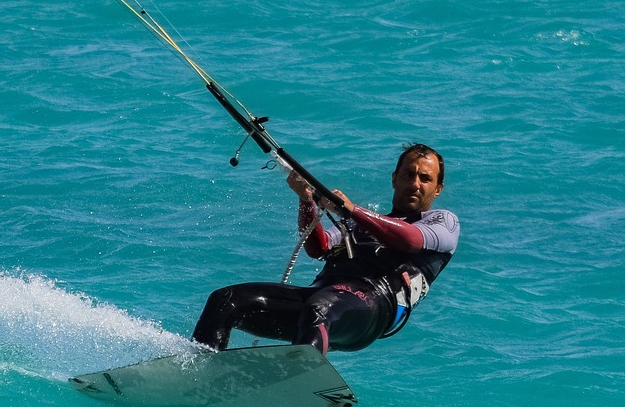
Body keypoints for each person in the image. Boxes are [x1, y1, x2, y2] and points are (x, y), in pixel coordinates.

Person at [191, 143, 459, 354]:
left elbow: (410, 240)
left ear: (438, 188)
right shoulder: (358, 225)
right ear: (394, 178)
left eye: (425, 178)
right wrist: (307, 201)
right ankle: (200, 372)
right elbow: (318, 248)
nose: (415, 183)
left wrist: (352, 210)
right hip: (319, 297)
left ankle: (298, 381)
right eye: (408, 174)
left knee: (320, 307)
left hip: (371, 310)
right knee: (225, 300)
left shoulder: (444, 222)